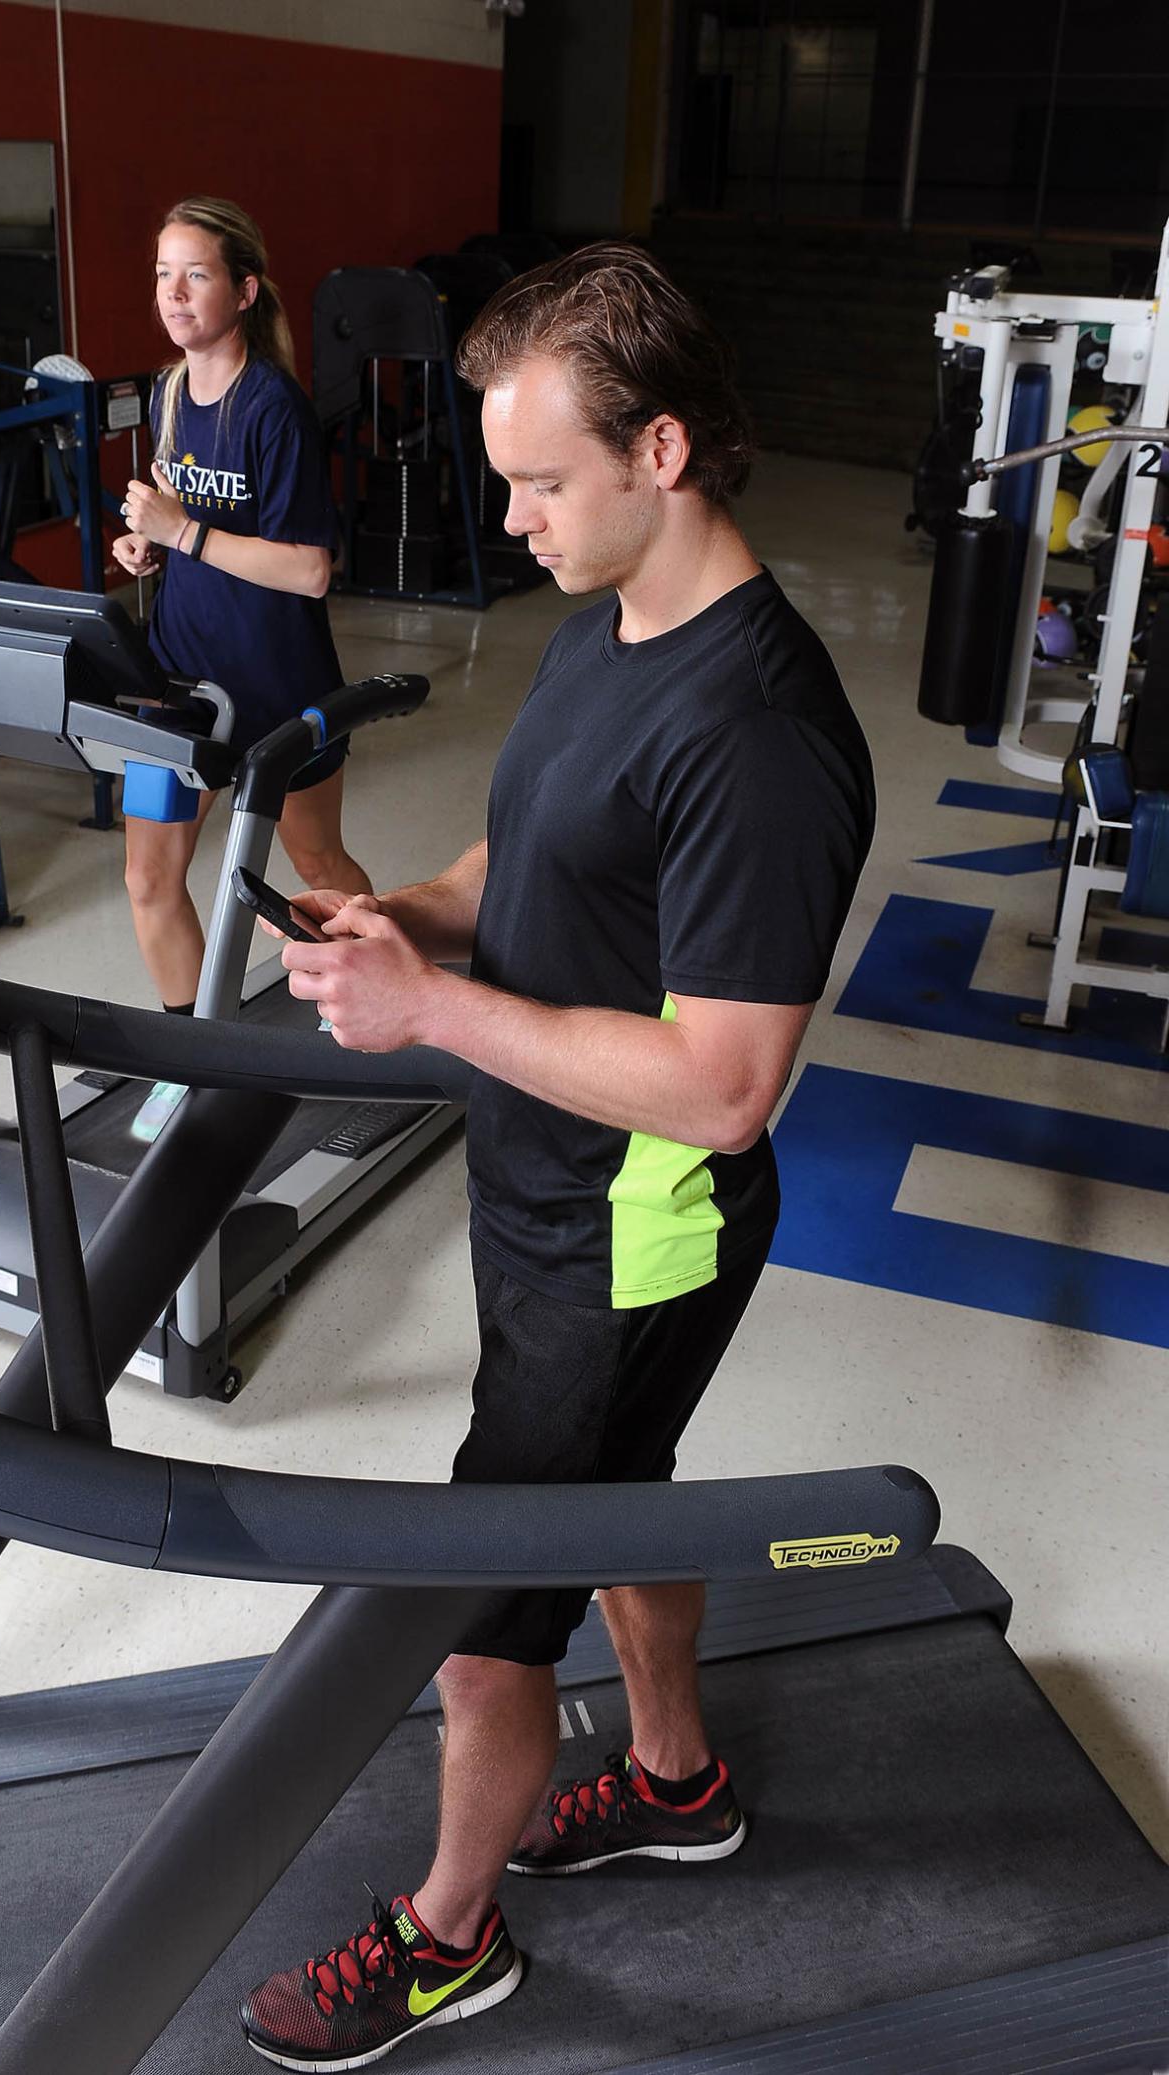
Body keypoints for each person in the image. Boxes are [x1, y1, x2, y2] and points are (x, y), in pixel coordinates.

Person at [239, 243, 876, 2070]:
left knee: (480, 1609)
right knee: (624, 1494)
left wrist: (432, 1022)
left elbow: (725, 1086)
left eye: (539, 481)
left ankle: (449, 1939)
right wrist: (403, 923)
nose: (509, 518)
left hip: (635, 1222)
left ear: (662, 450)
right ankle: (675, 1778)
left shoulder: (758, 729)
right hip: (547, 1190)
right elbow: (533, 860)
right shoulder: (616, 618)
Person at [112, 197, 370, 1015]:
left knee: (317, 862)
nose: (174, 293)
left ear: (246, 290)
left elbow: (310, 571)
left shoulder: (274, 408)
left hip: (278, 680)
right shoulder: (169, 390)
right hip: (182, 679)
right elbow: (174, 511)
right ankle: (197, 1054)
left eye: (196, 275)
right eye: (162, 275)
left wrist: (183, 533)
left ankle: (393, 988)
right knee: (149, 876)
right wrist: (147, 545)